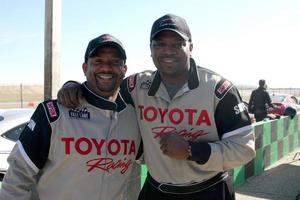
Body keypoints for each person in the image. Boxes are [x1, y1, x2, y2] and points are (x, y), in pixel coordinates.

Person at [58, 14, 256, 200]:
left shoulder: (218, 89)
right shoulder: (136, 86)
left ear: (191, 47)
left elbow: (244, 149)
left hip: (209, 190)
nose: (168, 51)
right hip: (156, 191)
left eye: (177, 44)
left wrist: (191, 150)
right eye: (160, 44)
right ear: (151, 48)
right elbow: (105, 85)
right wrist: (74, 86)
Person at [0, 34, 142, 200]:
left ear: (124, 69)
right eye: (97, 61)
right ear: (84, 68)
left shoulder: (133, 117)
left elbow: (144, 165)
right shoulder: (53, 113)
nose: (106, 68)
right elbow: (17, 179)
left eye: (115, 62)